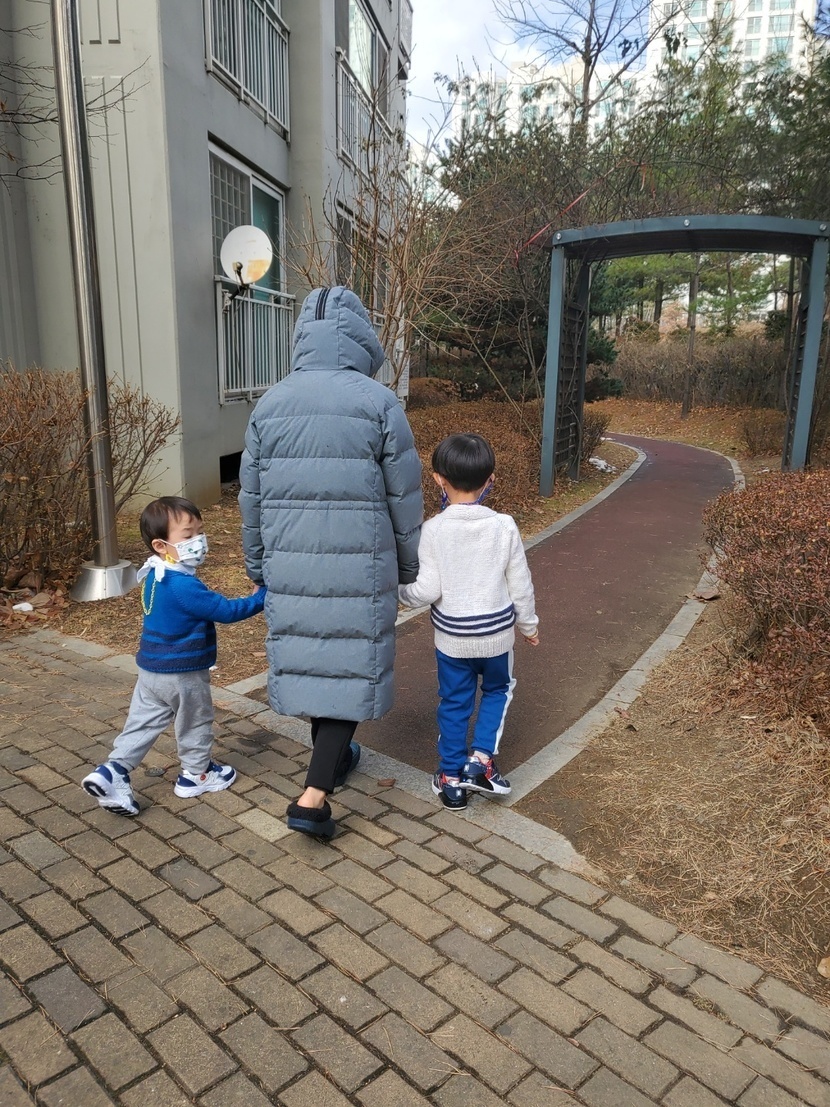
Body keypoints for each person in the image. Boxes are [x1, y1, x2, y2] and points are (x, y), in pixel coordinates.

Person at [239, 286, 423, 839]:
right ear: (361, 337)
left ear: (301, 337)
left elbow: (251, 498)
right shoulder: (378, 402)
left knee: (321, 658)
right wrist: (407, 565)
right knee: (347, 661)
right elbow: (404, 497)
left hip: (292, 560)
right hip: (360, 564)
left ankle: (335, 759)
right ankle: (313, 796)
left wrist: (257, 562)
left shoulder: (270, 403)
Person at [81, 496, 266, 817]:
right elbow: (226, 611)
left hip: (151, 669)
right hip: (182, 672)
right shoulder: (182, 585)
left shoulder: (156, 575)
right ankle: (197, 774)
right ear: (161, 545)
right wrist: (262, 597)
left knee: (142, 722)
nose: (199, 541)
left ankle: (112, 771)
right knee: (195, 720)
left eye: (200, 532)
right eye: (188, 535)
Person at [398, 433, 539, 812]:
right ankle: (480, 762)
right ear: (490, 479)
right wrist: (528, 625)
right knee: (497, 691)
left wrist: (399, 592)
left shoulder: (433, 530)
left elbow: (426, 590)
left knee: (455, 702)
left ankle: (451, 780)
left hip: (452, 641)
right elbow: (520, 583)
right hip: (497, 637)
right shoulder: (504, 526)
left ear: (438, 479)